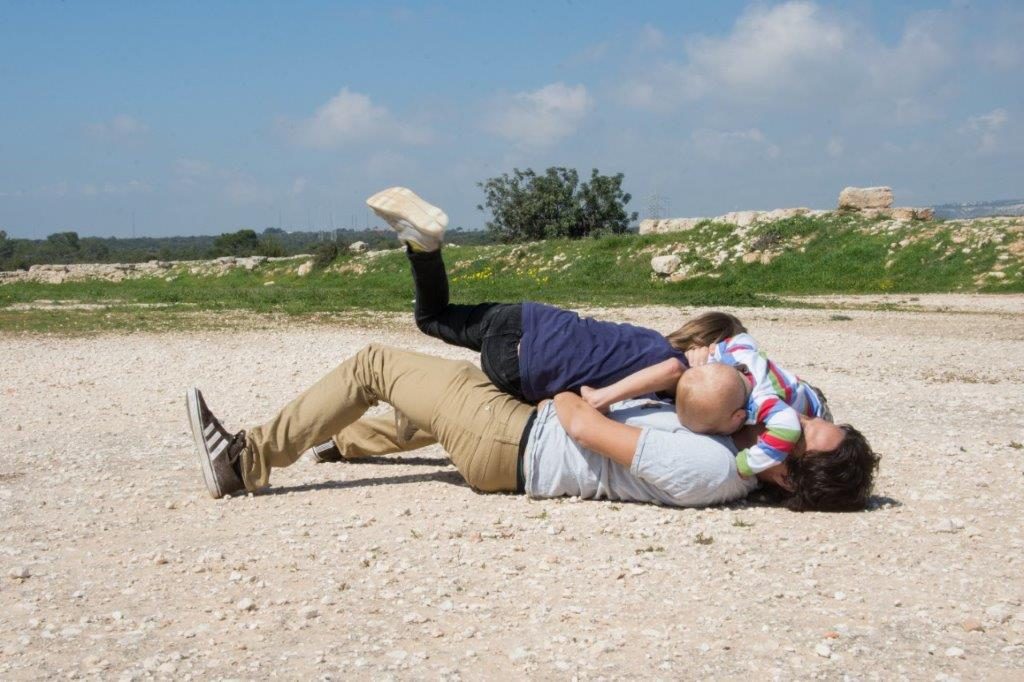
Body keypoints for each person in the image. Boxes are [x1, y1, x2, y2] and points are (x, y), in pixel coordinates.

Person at [311, 186, 745, 464]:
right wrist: (600, 400)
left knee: (431, 318)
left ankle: (424, 248)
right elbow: (671, 372)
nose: (719, 365)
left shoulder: (645, 339)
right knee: (460, 413)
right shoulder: (674, 367)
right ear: (706, 344)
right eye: (720, 353)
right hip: (524, 365)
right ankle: (348, 441)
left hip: (527, 318)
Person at [186, 344, 878, 511]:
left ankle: (243, 462)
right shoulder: (738, 441)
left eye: (799, 434)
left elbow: (585, 430)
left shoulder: (713, 471)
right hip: (514, 438)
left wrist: (577, 389)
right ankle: (346, 442)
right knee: (449, 387)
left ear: (786, 475)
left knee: (375, 365)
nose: (786, 422)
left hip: (514, 442)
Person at [582, 332, 850, 478]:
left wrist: (718, 353)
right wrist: (746, 464)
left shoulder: (741, 358)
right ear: (739, 416)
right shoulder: (770, 404)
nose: (802, 422)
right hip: (809, 398)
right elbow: (789, 427)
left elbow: (744, 340)